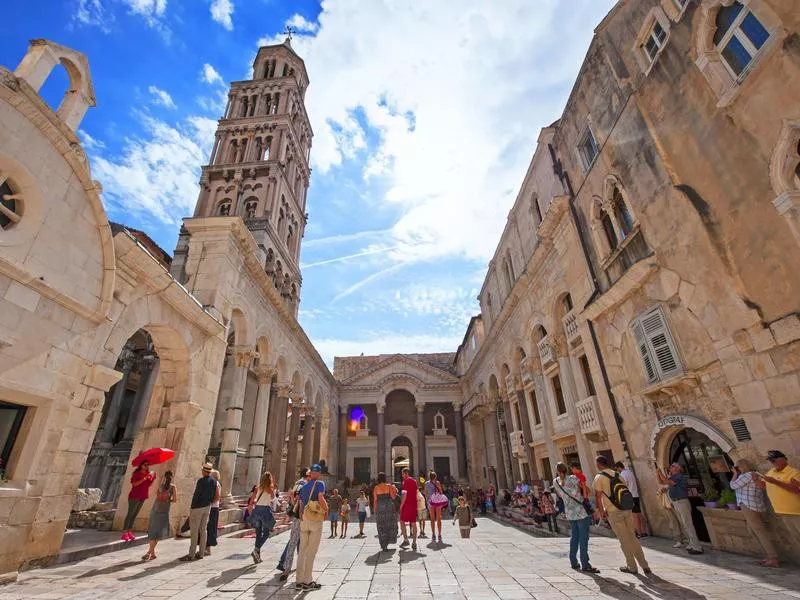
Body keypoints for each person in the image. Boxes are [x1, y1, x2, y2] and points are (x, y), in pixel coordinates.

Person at [594, 456, 650, 574]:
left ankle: (632, 567)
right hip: (626, 508)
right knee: (632, 537)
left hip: (613, 511)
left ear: (598, 465)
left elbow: (598, 496)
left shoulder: (599, 477)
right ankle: (644, 565)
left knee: (624, 540)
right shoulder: (617, 474)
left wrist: (601, 511)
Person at [730, 458, 778, 567]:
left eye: (737, 467)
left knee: (759, 531)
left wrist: (734, 474)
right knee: (757, 530)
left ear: (741, 467)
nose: (736, 469)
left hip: (748, 505)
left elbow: (733, 486)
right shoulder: (756, 474)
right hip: (757, 505)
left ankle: (772, 557)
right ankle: (769, 555)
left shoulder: (745, 476)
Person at [553, 462, 598, 573]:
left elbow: (560, 496)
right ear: (566, 469)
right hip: (581, 511)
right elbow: (587, 490)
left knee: (574, 537)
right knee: (583, 537)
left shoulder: (555, 482)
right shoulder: (573, 478)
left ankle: (573, 561)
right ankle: (585, 563)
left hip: (569, 512)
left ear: (557, 471)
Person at [655, 463, 703, 555]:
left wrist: (660, 473)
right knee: (683, 524)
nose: (670, 467)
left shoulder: (679, 476)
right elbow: (661, 482)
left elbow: (667, 482)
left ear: (678, 469)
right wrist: (658, 474)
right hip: (676, 502)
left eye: (673, 466)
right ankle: (691, 543)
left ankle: (697, 546)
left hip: (682, 502)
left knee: (688, 524)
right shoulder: (673, 477)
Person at [296, 464, 328, 591]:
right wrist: (326, 509)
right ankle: (308, 582)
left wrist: (302, 518)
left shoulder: (304, 486)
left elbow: (300, 503)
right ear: (318, 473)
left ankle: (299, 581)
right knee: (311, 551)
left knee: (302, 550)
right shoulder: (319, 483)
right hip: (315, 520)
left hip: (304, 519)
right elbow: (320, 498)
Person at [759, 450, 800, 544]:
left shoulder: (794, 472)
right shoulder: (770, 472)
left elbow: (796, 490)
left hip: (796, 511)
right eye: (771, 461)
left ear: (784, 459)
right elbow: (763, 486)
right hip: (781, 510)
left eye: (774, 460)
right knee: (797, 538)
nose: (772, 463)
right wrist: (756, 481)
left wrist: (775, 482)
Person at [180, 462, 218, 561]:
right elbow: (215, 495)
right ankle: (201, 553)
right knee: (203, 530)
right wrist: (209, 503)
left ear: (204, 471)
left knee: (194, 531)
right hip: (207, 507)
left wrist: (192, 507)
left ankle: (191, 554)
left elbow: (197, 495)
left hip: (197, 507)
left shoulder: (201, 481)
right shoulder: (214, 481)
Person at [277, 467, 309, 581]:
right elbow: (296, 500)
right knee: (298, 542)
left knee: (296, 543)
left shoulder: (298, 484)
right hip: (302, 517)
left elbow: (292, 499)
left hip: (298, 517)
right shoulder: (303, 485)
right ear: (308, 475)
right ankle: (290, 568)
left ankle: (288, 568)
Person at [142, 470, 176, 561]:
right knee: (158, 532)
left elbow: (156, 496)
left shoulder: (160, 486)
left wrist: (161, 482)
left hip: (156, 509)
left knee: (153, 531)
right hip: (164, 511)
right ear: (172, 477)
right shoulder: (173, 487)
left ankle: (150, 552)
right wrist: (168, 500)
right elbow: (175, 500)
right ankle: (151, 552)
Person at [122, 462, 155, 541]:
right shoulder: (137, 474)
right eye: (145, 465)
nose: (147, 466)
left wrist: (152, 478)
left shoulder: (148, 474)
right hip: (134, 495)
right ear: (141, 466)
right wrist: (144, 478)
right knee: (130, 513)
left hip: (143, 496)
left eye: (148, 465)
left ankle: (129, 531)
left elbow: (148, 485)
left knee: (134, 514)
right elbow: (134, 484)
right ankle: (125, 533)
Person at [249, 471, 277, 564]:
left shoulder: (257, 487)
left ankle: (257, 556)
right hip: (265, 511)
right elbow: (273, 499)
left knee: (258, 533)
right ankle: (256, 550)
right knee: (266, 533)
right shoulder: (270, 489)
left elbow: (252, 499)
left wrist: (250, 509)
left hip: (257, 510)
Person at [615, 461, 646, 538]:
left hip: (630, 496)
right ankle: (644, 531)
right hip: (635, 495)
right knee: (638, 514)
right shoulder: (629, 472)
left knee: (634, 516)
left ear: (618, 467)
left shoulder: (622, 474)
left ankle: (639, 533)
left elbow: (624, 485)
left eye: (616, 469)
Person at [373, 471, 398, 551]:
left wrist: (374, 509)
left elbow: (375, 500)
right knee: (389, 524)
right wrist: (395, 490)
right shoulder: (389, 486)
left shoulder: (376, 488)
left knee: (381, 526)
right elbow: (393, 497)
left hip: (380, 508)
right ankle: (388, 542)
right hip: (389, 507)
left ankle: (384, 545)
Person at [399, 468, 419, 550]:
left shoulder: (405, 482)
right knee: (413, 523)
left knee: (402, 521)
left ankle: (406, 539)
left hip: (406, 505)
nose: (402, 475)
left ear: (406, 473)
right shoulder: (414, 481)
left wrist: (401, 505)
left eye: (403, 474)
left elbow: (404, 495)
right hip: (414, 504)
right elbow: (416, 492)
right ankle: (414, 542)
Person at [427, 471, 449, 543]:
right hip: (438, 502)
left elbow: (425, 493)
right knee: (438, 518)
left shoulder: (426, 483)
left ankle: (433, 534)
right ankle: (439, 534)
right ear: (435, 477)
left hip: (430, 502)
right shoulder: (438, 483)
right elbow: (441, 492)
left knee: (432, 519)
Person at [205, 469, 221, 555]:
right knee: (209, 527)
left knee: (210, 528)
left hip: (213, 508)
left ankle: (208, 548)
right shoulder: (215, 484)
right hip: (214, 508)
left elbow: (217, 497)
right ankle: (206, 547)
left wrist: (209, 503)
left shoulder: (215, 484)